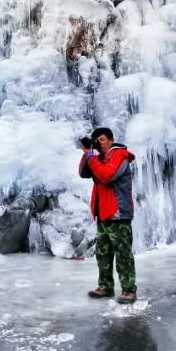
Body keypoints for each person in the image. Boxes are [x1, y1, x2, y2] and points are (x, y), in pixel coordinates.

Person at [78, 127, 137, 304]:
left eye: (102, 139)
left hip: (118, 214)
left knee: (123, 254)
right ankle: (105, 286)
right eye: (97, 140)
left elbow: (106, 175)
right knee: (102, 253)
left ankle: (129, 290)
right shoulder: (98, 159)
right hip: (103, 214)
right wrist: (88, 153)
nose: (99, 143)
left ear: (111, 140)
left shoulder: (120, 156)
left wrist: (92, 158)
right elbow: (83, 173)